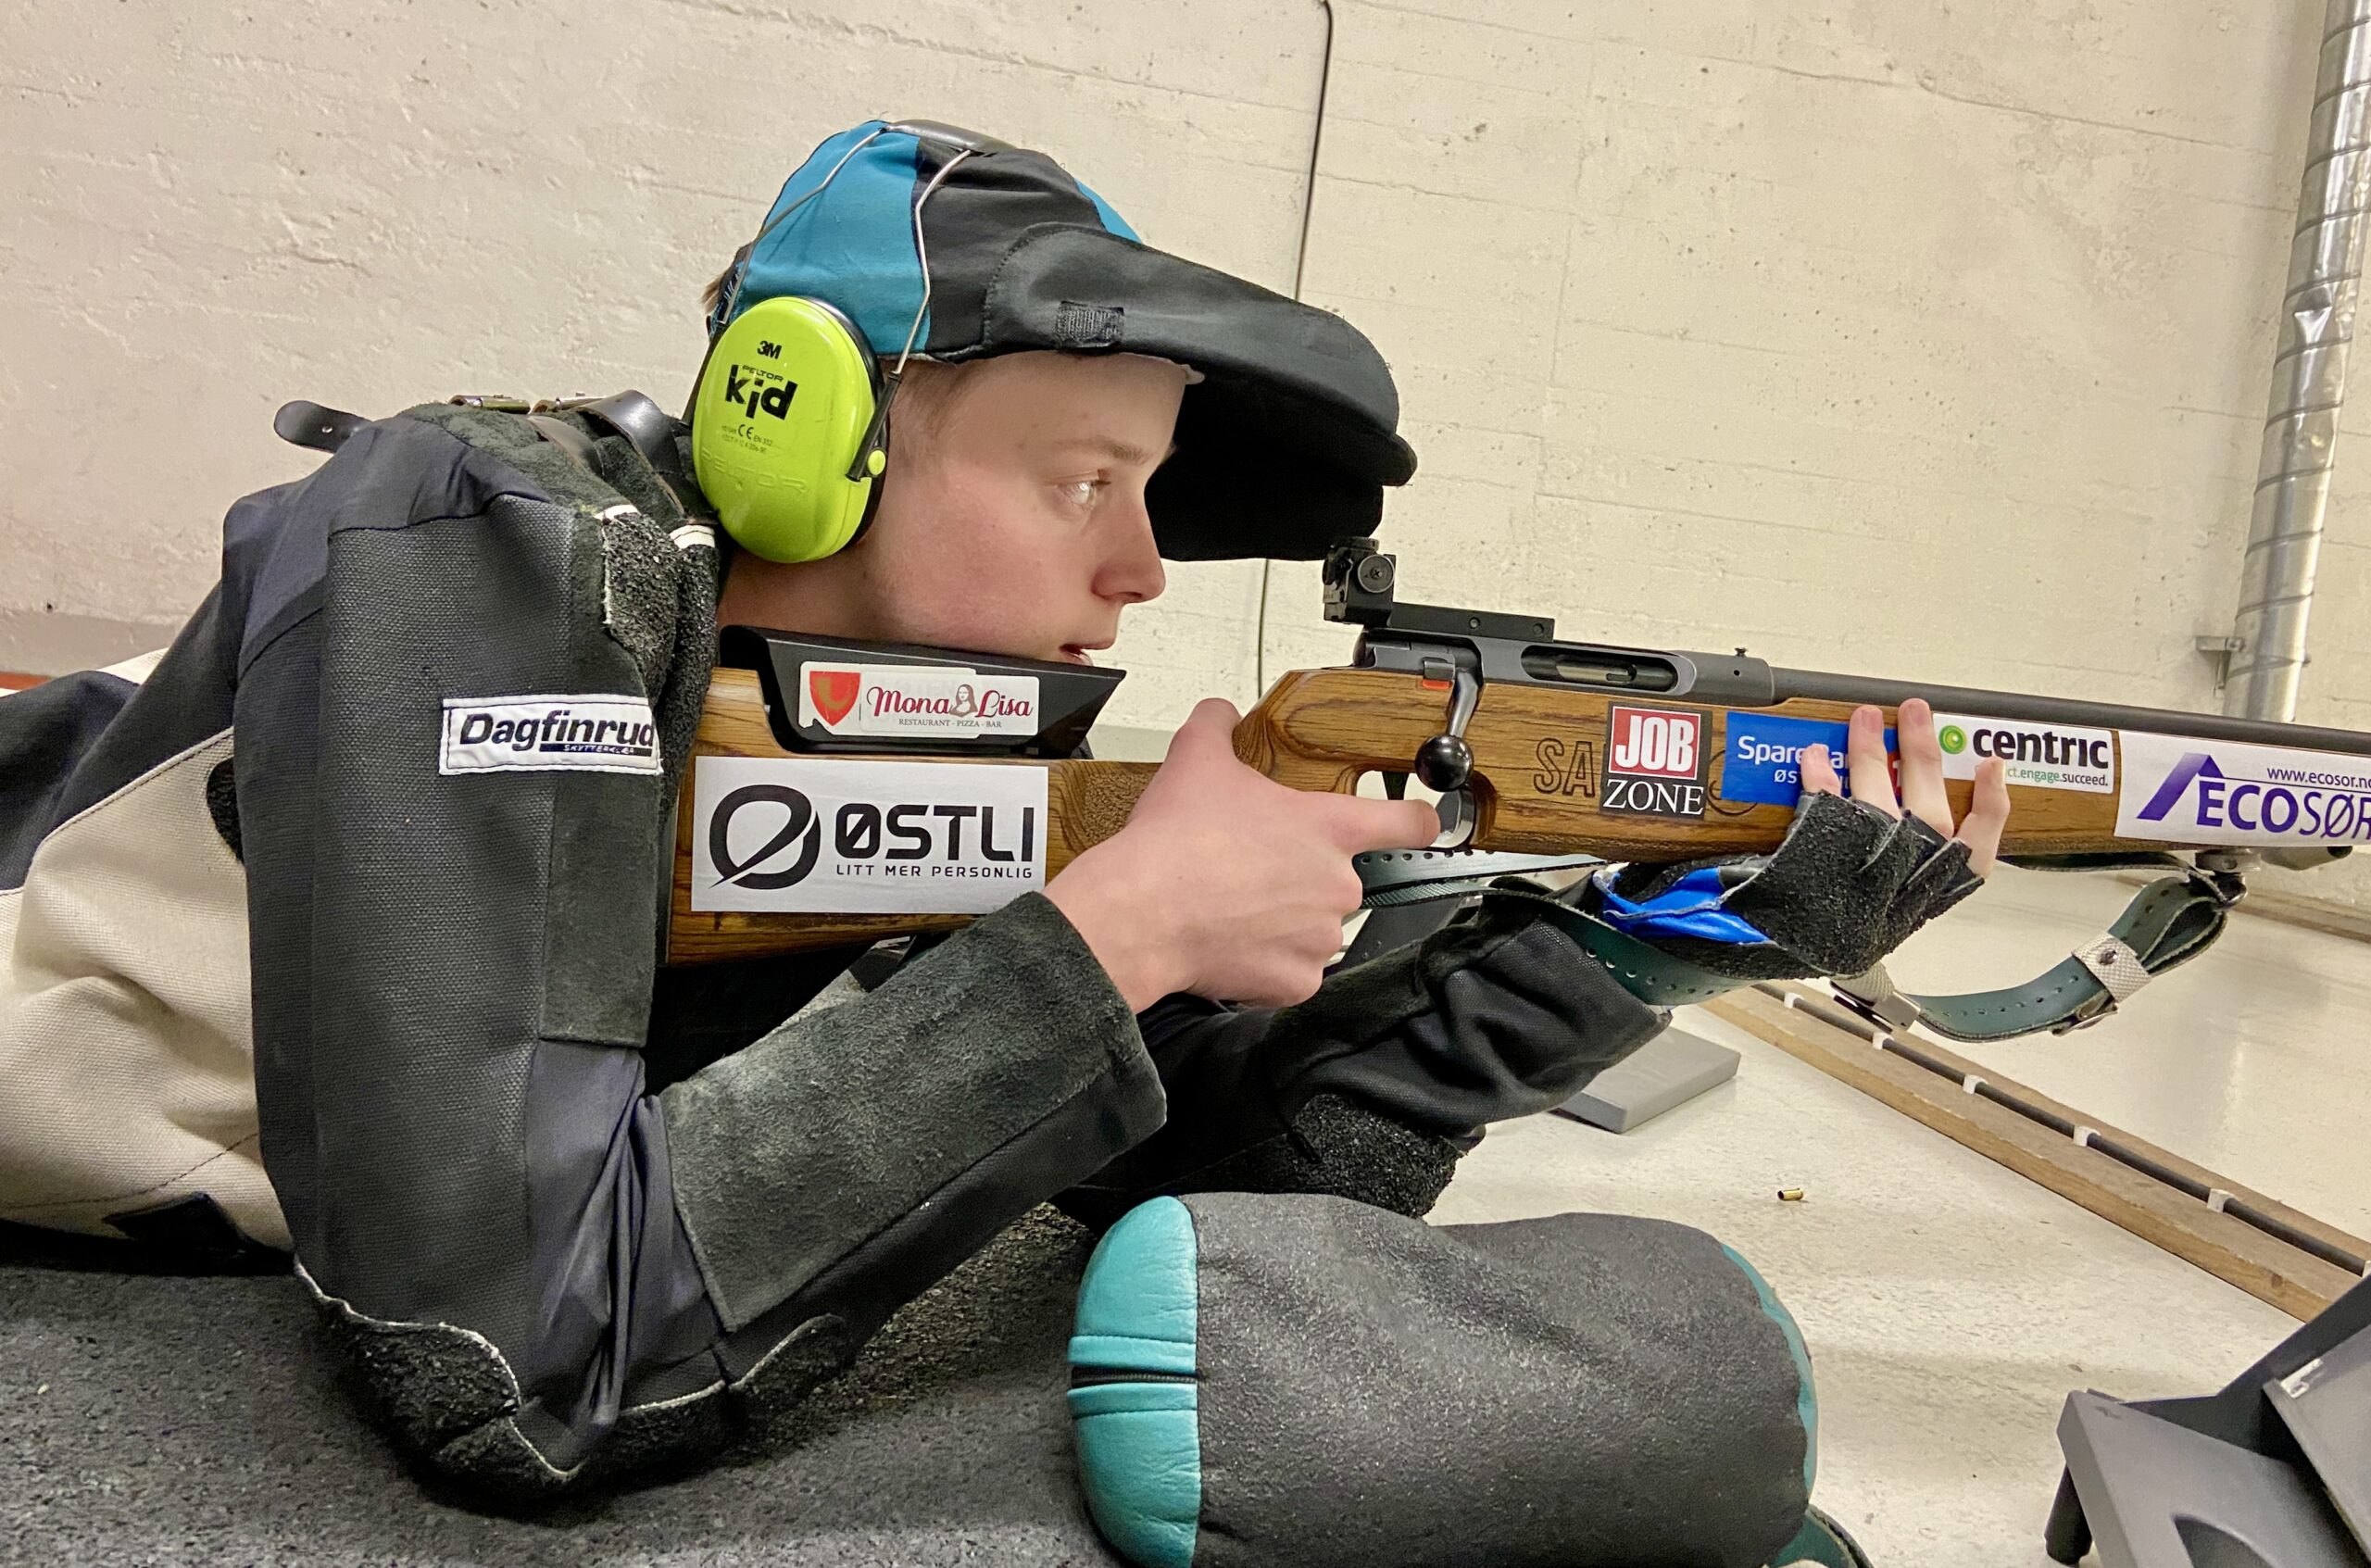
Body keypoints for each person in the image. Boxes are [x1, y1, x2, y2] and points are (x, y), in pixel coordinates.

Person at [0, 119, 2009, 1497]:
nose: (1136, 568)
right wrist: (1117, 932)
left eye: (1147, 495)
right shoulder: (491, 539)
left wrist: (1643, 944)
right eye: (1081, 483)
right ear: (800, 426)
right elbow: (512, 1366)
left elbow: (1239, 1175)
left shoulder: (911, 732)